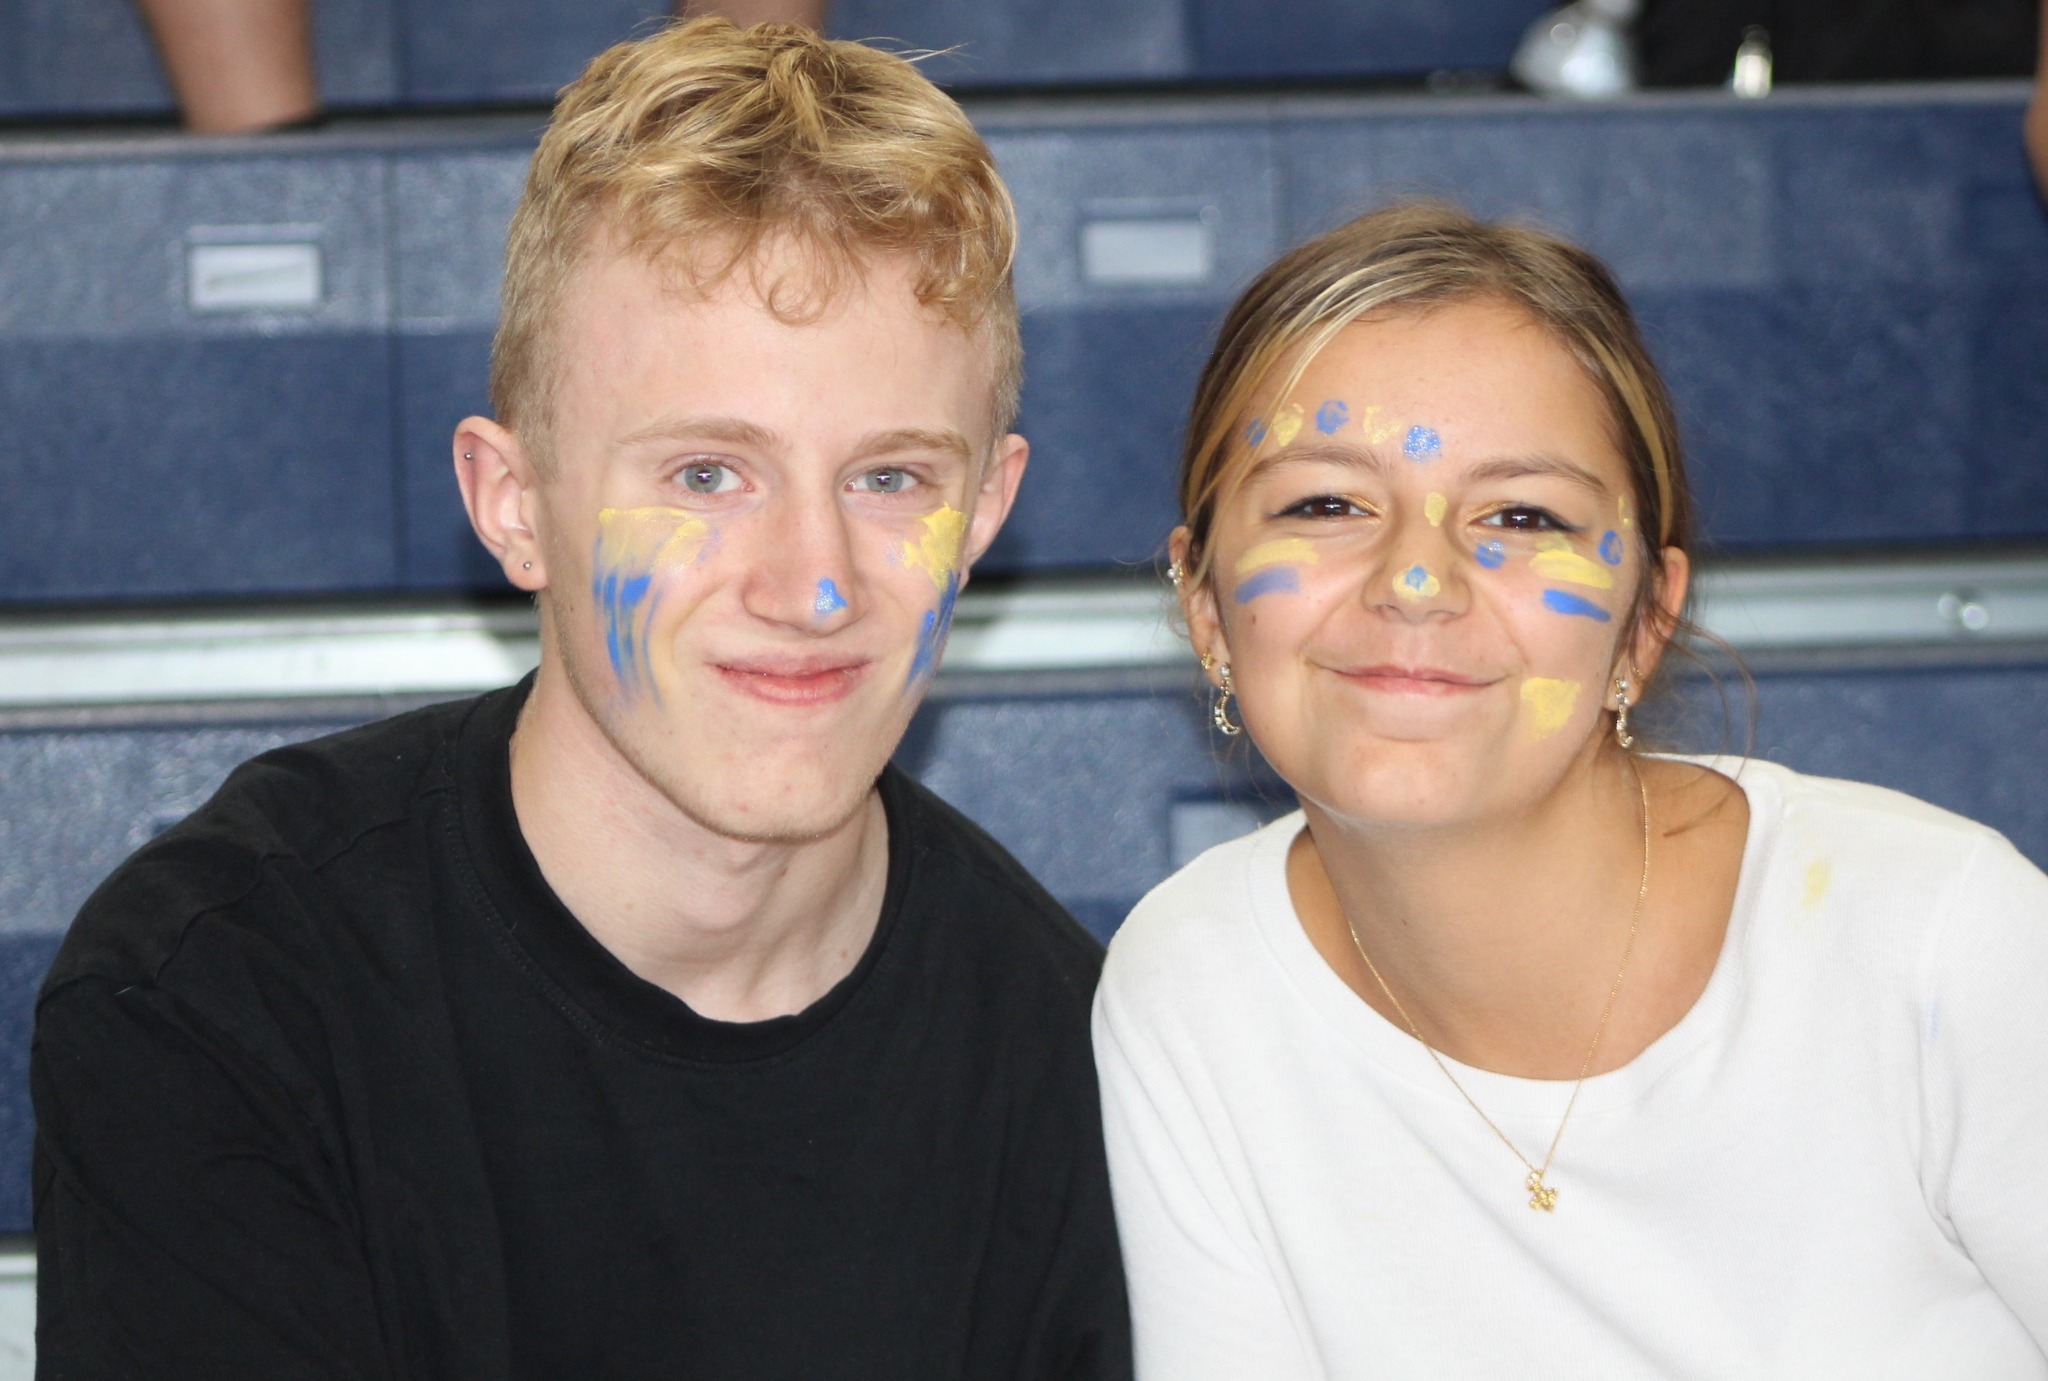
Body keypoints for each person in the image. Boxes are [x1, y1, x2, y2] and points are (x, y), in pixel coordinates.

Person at [34, 20, 1130, 1379]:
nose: (814, 584)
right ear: (516, 505)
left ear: (987, 511)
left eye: (890, 478)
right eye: (706, 476)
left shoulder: (1070, 1058)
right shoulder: (226, 994)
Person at [1094, 202, 2048, 1376]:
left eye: (1520, 516)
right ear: (1203, 606)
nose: (1414, 579)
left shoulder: (1939, 939)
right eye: (1325, 503)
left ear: (1644, 623)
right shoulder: (1190, 985)